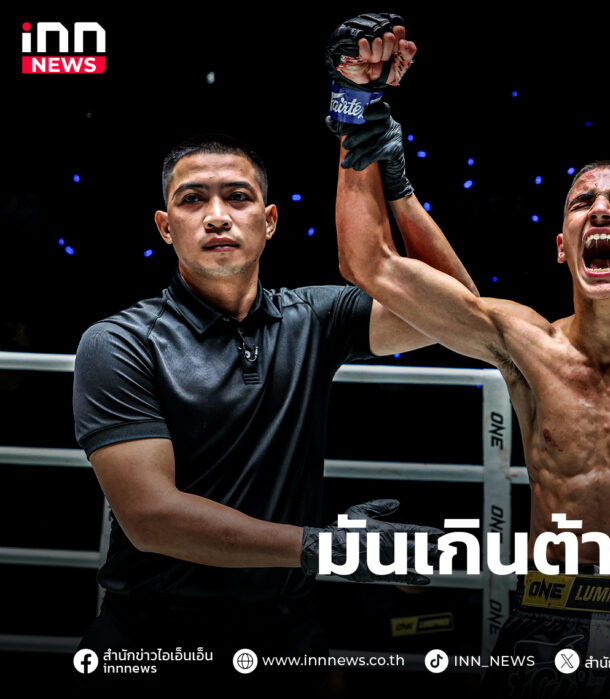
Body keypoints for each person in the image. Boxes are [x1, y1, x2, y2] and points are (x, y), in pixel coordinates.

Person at [330, 16, 610, 697]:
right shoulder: (527, 346)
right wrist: (353, 108)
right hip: (543, 619)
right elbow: (369, 264)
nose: (599, 210)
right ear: (561, 245)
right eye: (581, 203)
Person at [71, 121, 475, 691]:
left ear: (270, 221)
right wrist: (327, 548)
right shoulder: (119, 342)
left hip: (287, 635)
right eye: (193, 199)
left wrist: (398, 188)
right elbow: (152, 518)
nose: (217, 216)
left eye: (238, 197)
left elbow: (459, 314)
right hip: (152, 637)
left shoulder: (314, 317)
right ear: (165, 226)